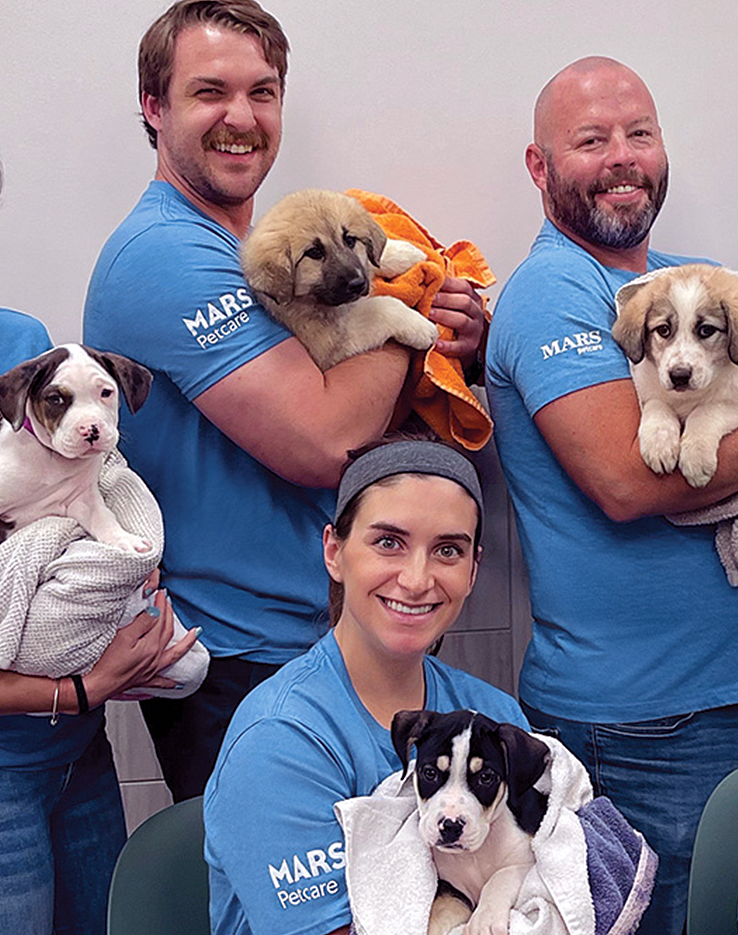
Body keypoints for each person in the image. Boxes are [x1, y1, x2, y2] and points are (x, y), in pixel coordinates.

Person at [83, 0, 487, 802]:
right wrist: (411, 308)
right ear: (153, 107)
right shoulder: (165, 253)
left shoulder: (250, 251)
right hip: (231, 659)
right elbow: (331, 438)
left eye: (262, 92)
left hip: (311, 636)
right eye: (210, 93)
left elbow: (360, 408)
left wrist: (451, 342)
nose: (242, 117)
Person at [485, 56, 738, 933]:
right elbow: (624, 480)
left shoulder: (692, 284)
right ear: (539, 167)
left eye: (639, 134)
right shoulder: (554, 293)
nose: (622, 156)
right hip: (641, 723)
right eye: (591, 139)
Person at [203, 438, 528, 935]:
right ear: (334, 551)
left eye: (447, 550)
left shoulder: (492, 714)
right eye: (388, 542)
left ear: (473, 570)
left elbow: (556, 870)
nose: (417, 580)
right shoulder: (280, 742)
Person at [0, 307, 195, 934]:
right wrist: (82, 687)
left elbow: (91, 476)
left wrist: (121, 566)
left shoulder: (25, 340)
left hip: (76, 751)